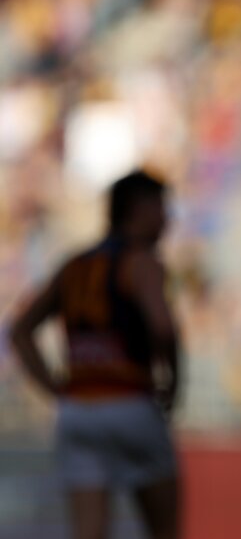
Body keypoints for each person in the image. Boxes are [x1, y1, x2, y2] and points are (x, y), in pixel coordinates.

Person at [10, 170, 181, 539]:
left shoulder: (75, 265)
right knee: (164, 529)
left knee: (88, 531)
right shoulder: (142, 262)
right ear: (139, 208)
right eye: (161, 207)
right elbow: (163, 328)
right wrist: (174, 383)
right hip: (130, 402)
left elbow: (20, 331)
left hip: (78, 410)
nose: (167, 219)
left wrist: (55, 389)